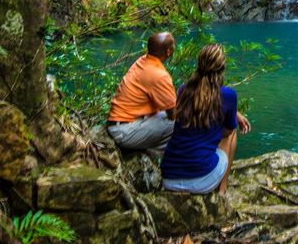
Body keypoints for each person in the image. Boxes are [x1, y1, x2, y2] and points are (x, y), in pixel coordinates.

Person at [161, 43, 251, 194]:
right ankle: (222, 191)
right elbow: (227, 132)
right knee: (232, 132)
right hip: (201, 181)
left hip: (169, 178)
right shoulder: (229, 95)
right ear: (222, 68)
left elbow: (203, 101)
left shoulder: (184, 89)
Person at [106, 32, 178, 151]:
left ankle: (152, 149)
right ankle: (160, 153)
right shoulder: (159, 75)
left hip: (118, 124)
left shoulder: (143, 60)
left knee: (166, 117)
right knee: (180, 123)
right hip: (124, 132)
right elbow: (173, 114)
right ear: (169, 51)